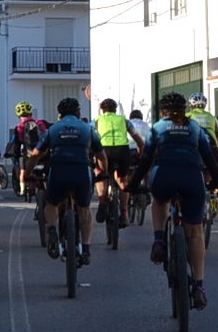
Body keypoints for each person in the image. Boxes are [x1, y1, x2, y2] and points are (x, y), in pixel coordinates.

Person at [147, 92, 218, 309]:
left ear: (163, 112)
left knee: (159, 201)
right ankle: (199, 285)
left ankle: (159, 240)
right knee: (196, 232)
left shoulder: (158, 127)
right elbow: (209, 158)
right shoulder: (195, 128)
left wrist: (134, 185)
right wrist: (217, 183)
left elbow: (146, 159)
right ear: (184, 110)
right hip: (191, 177)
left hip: (165, 175)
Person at [40, 98, 101, 265]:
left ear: (59, 115)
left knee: (51, 204)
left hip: (58, 171)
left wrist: (27, 172)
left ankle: (52, 229)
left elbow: (36, 153)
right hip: (81, 171)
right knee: (84, 208)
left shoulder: (52, 129)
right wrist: (104, 170)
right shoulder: (88, 129)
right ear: (79, 114)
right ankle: (86, 248)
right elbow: (101, 155)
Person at [96, 97, 145, 218]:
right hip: (122, 151)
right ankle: (124, 213)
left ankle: (102, 199)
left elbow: (90, 137)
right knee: (123, 180)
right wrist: (140, 153)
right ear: (115, 110)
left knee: (101, 174)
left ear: (102, 110)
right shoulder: (124, 120)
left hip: (104, 151)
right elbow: (139, 141)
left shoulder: (96, 121)